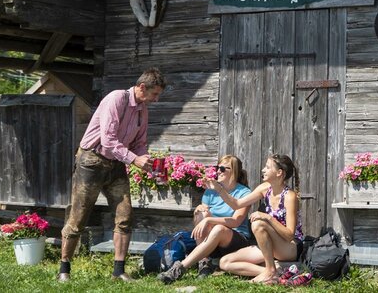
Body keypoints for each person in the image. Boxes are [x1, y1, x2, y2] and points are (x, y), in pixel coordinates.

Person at [58, 68, 166, 282]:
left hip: (116, 164)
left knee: (125, 216)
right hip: (92, 160)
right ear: (142, 87)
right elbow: (108, 141)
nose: (156, 99)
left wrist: (146, 162)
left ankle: (119, 272)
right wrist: (134, 159)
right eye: (155, 94)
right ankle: (64, 270)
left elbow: (140, 143)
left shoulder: (142, 110)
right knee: (78, 217)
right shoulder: (116, 99)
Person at [206, 154, 304, 284]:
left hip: (289, 248)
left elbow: (289, 235)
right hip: (272, 246)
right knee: (225, 262)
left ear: (279, 173)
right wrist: (219, 189)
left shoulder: (289, 197)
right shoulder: (264, 188)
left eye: (268, 167)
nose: (263, 170)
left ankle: (270, 270)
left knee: (258, 223)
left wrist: (267, 217)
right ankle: (276, 273)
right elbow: (237, 204)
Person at [157, 155, 254, 283]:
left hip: (235, 241)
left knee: (219, 228)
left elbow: (236, 221)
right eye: (217, 168)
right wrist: (200, 211)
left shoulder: (244, 193)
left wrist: (209, 220)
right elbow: (201, 219)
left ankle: (179, 269)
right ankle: (205, 263)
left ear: (234, 171)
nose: (218, 171)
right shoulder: (210, 191)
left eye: (223, 169)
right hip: (212, 241)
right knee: (201, 212)